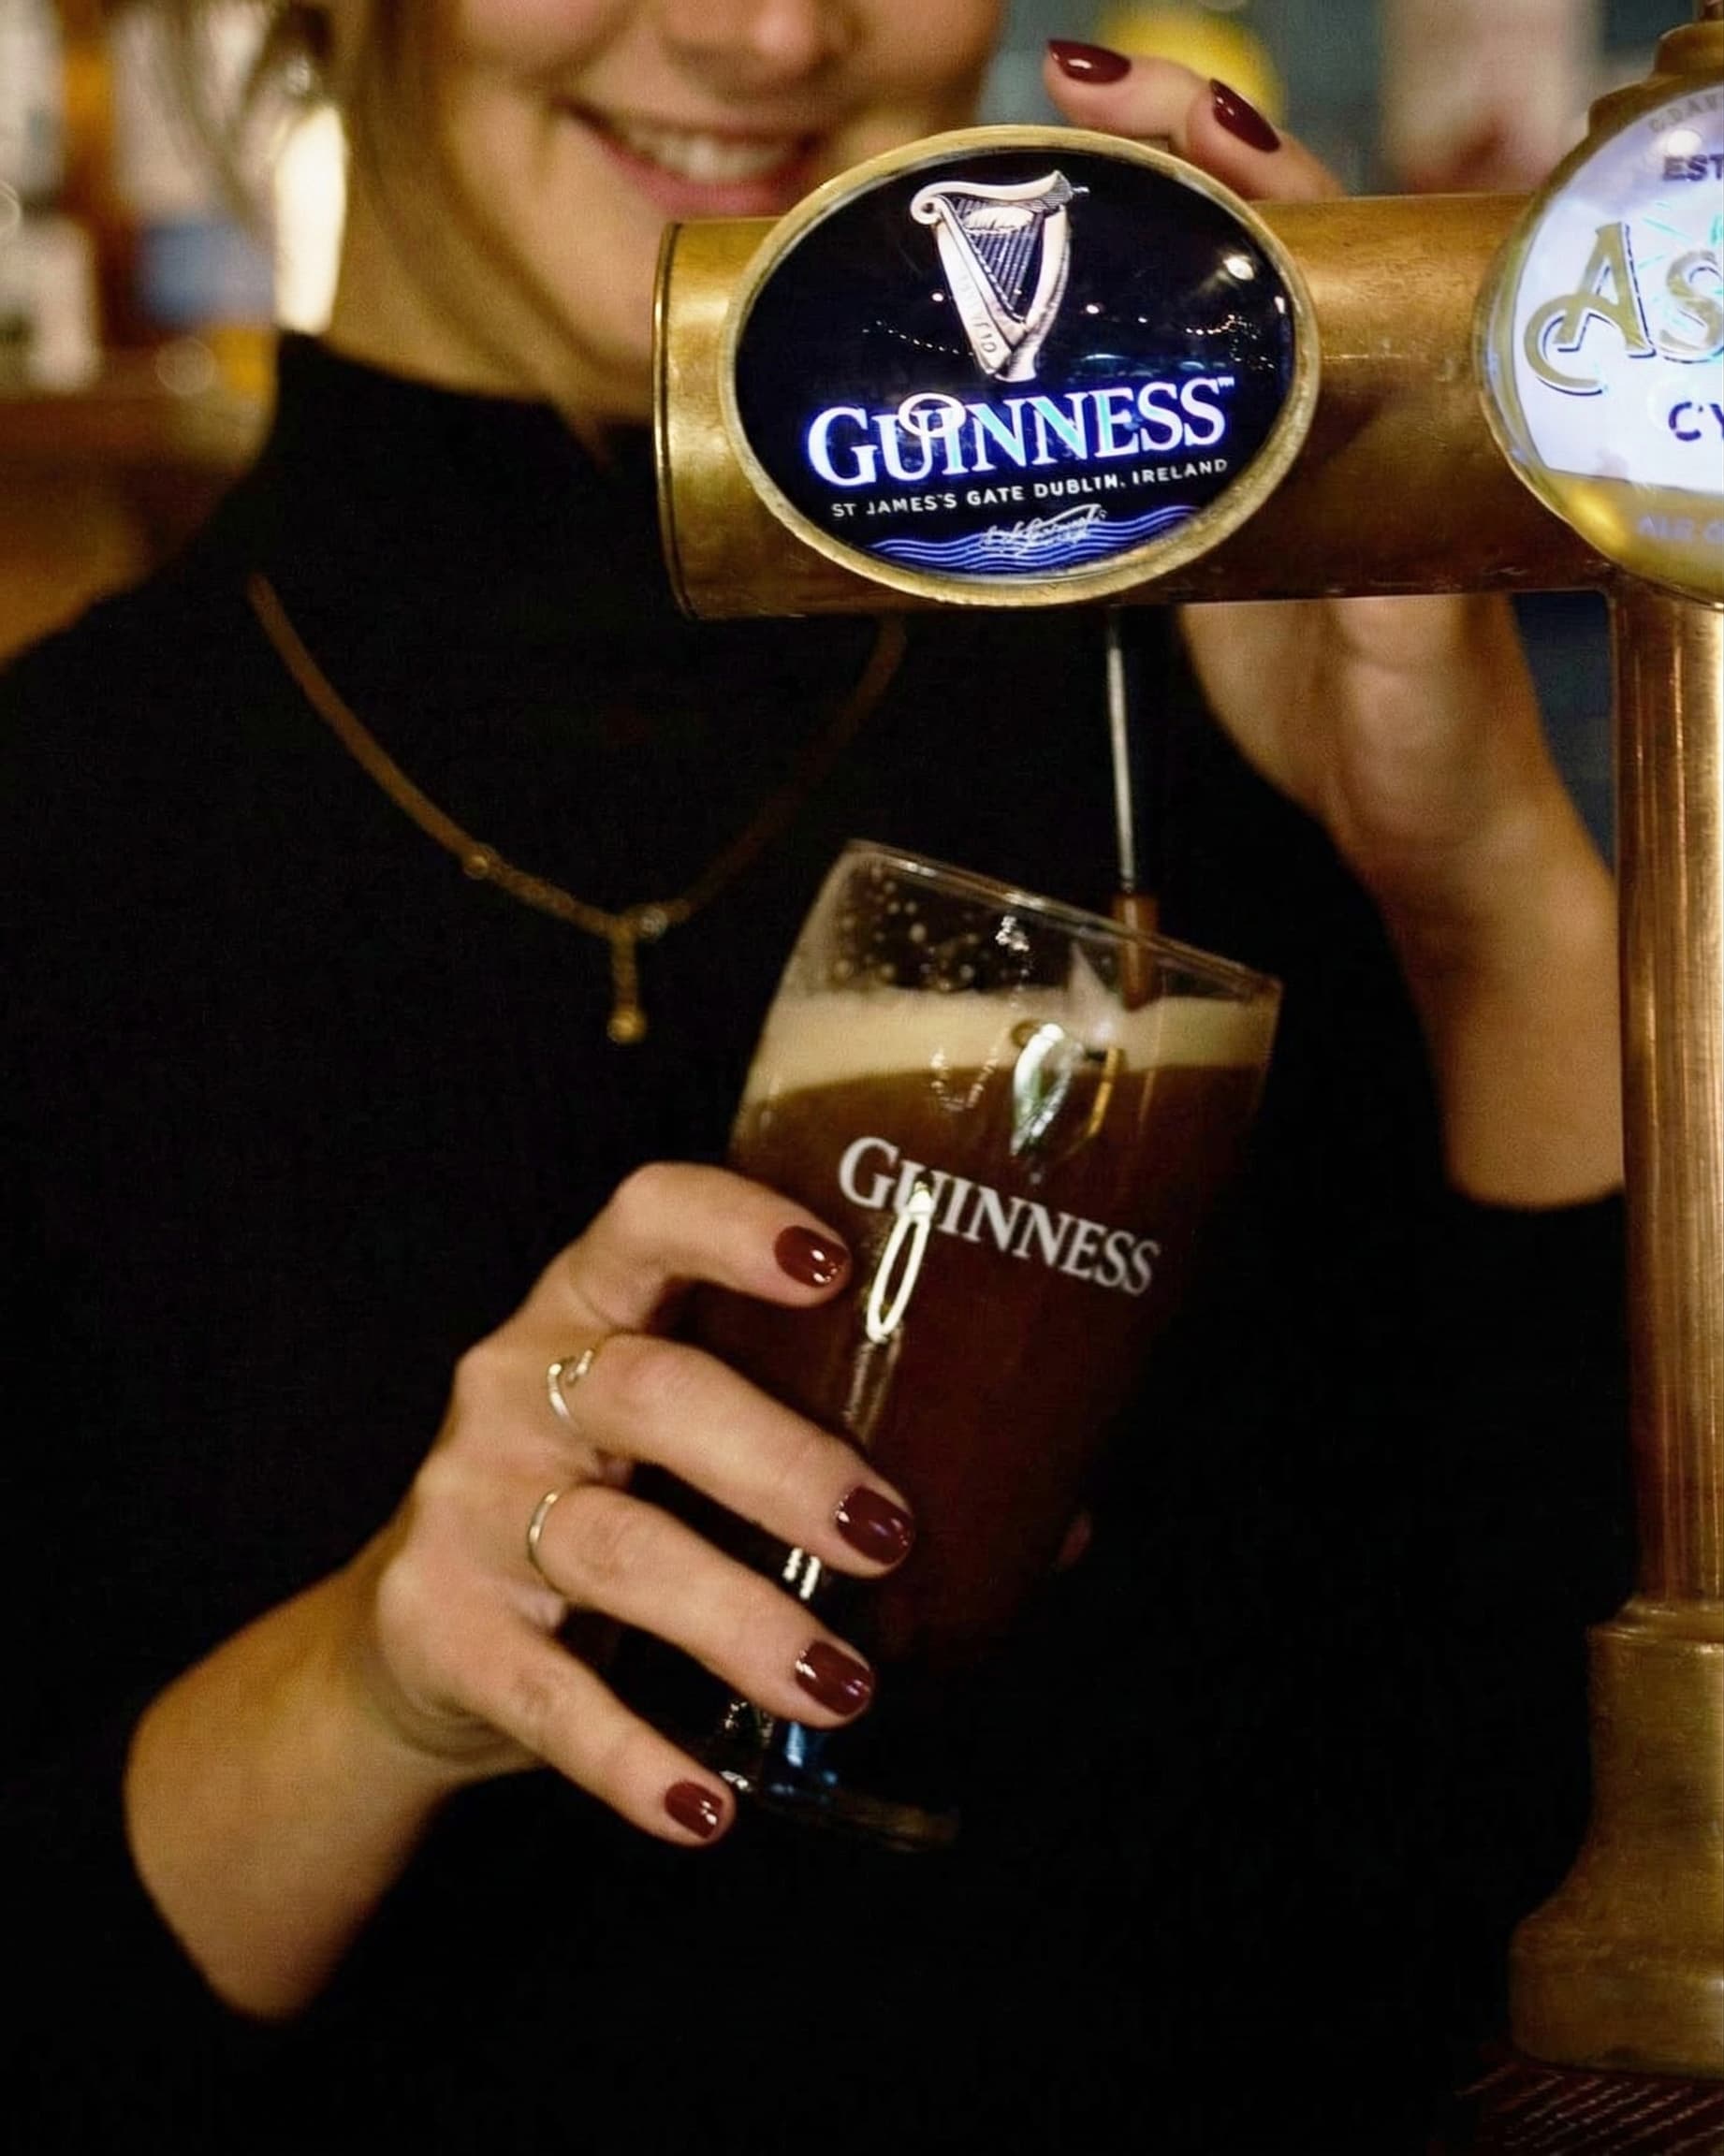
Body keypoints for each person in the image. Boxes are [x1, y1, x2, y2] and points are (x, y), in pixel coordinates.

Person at [2, 6, 1629, 2149]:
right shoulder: (57, 828)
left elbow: (1560, 1841)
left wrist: (1487, 891)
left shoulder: (1204, 691)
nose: (764, 27)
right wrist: (379, 1679)